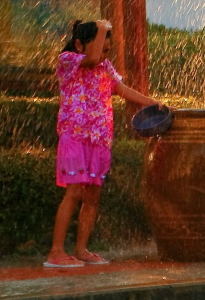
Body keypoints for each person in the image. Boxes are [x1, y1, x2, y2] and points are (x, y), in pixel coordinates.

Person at [47, 20, 162, 269]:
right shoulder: (68, 60)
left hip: (99, 140)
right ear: (79, 44)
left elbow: (123, 89)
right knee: (74, 192)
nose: (103, 54)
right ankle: (56, 252)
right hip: (74, 137)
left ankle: (81, 249)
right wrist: (101, 28)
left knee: (92, 197)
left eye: (107, 50)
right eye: (100, 46)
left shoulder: (105, 67)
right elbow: (90, 59)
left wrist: (153, 103)